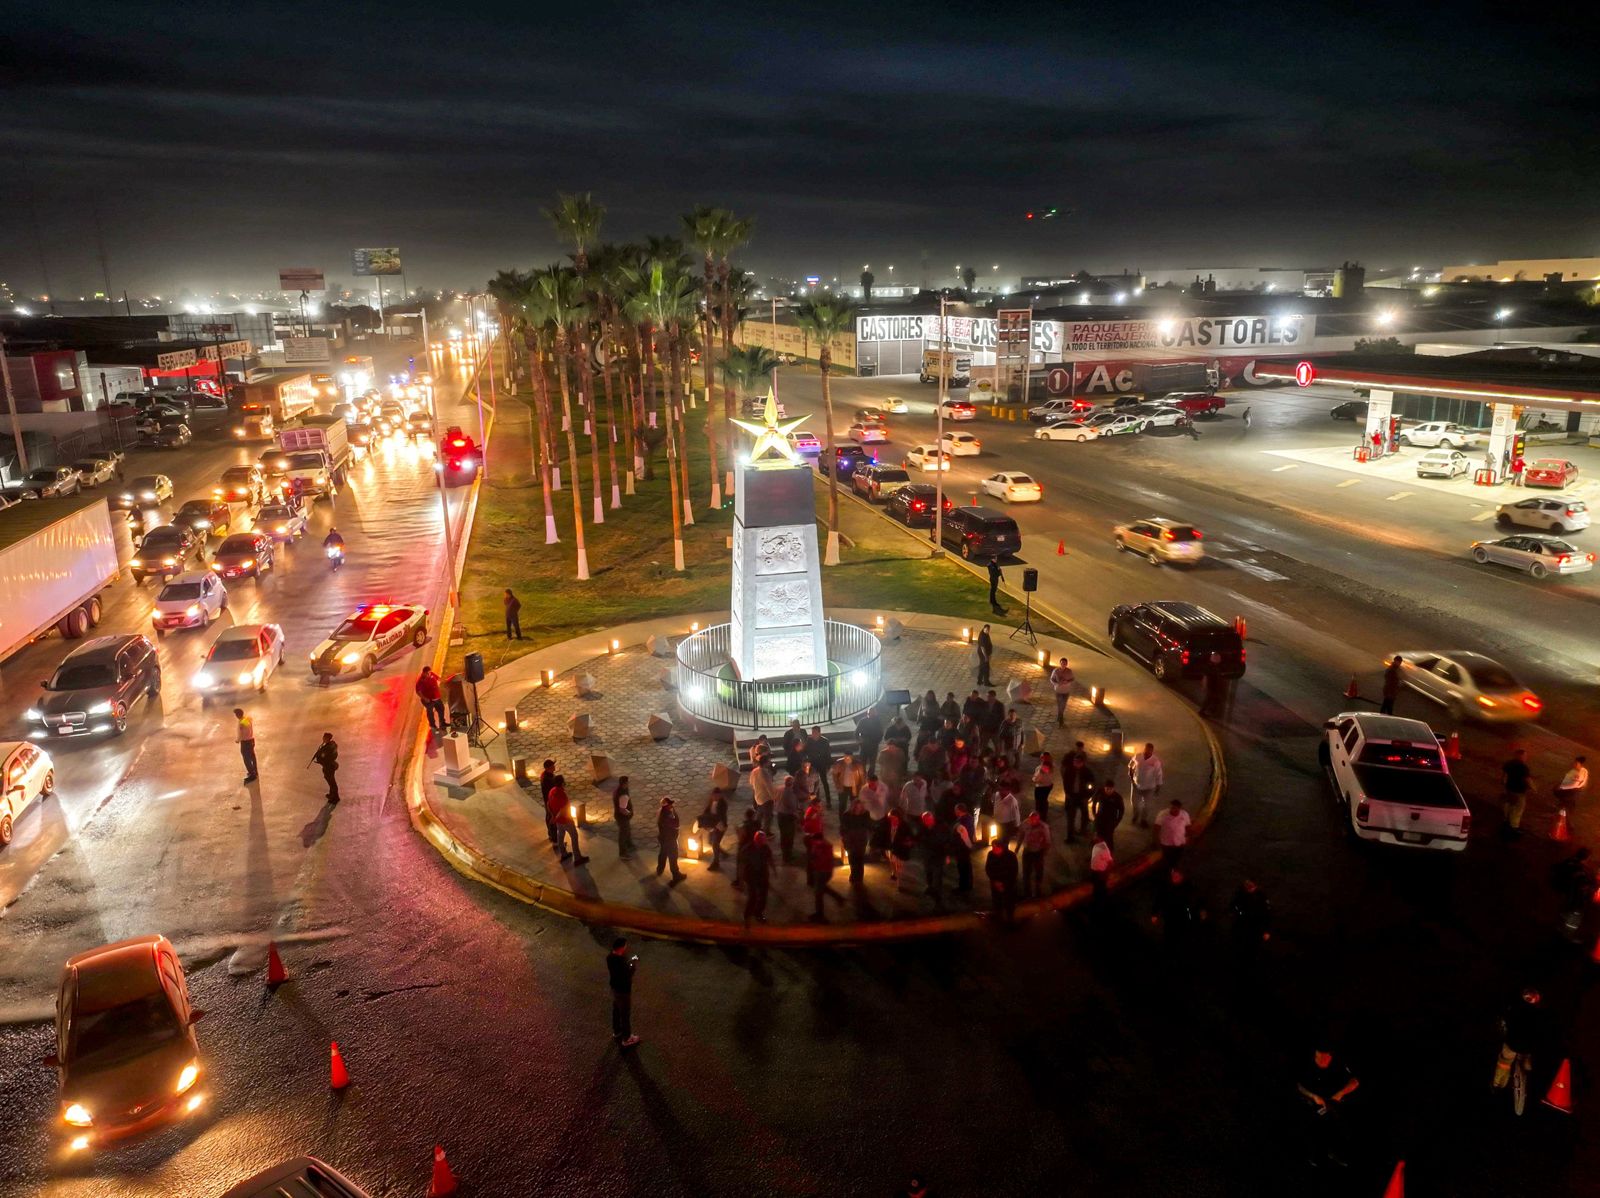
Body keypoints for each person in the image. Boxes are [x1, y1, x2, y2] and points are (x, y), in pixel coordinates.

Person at [1297, 1047, 1359, 1166]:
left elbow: (1355, 1081)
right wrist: (1313, 1096)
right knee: (1318, 1121)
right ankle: (1314, 1154)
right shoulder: (1306, 1064)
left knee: (1342, 1119)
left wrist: (1340, 1093)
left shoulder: (1337, 1063)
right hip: (1312, 1103)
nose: (1326, 1059)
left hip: (1333, 1102)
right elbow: (1299, 1086)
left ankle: (1337, 1152)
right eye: (1322, 1056)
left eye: (1328, 1056)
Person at [1494, 989, 1547, 1091]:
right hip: (1529, 1047)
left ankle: (1499, 1084)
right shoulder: (1541, 1014)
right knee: (1527, 1063)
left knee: (1504, 1061)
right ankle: (1528, 1081)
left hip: (1512, 1043)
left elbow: (1505, 1021)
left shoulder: (1514, 1007)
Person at [1151, 868, 1206, 946]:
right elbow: (1159, 899)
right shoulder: (1166, 887)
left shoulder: (1188, 887)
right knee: (1169, 935)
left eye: (1178, 875)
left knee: (1185, 934)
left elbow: (1197, 898)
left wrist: (1202, 910)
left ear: (1182, 876)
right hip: (1169, 917)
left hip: (1184, 916)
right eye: (1174, 875)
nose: (1175, 877)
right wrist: (1154, 913)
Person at [606, 938, 640, 1048]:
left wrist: (628, 963)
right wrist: (633, 965)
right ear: (621, 948)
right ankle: (627, 1038)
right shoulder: (621, 962)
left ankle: (617, 1031)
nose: (626, 947)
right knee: (625, 1014)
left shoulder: (610, 957)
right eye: (625, 946)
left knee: (616, 1010)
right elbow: (627, 975)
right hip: (623, 991)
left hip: (614, 988)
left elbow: (620, 970)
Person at [549, 776, 587, 864]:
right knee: (574, 836)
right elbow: (563, 809)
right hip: (566, 820)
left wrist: (553, 816)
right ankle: (577, 858)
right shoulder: (562, 794)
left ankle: (563, 854)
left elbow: (548, 804)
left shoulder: (552, 791)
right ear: (562, 783)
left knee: (560, 836)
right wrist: (555, 818)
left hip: (558, 821)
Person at [1227, 878, 1271, 950]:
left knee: (1254, 949)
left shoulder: (1261, 896)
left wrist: (1267, 930)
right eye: (1247, 885)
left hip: (1256, 928)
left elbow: (1267, 914)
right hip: (1241, 927)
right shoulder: (1240, 895)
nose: (1250, 887)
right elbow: (1232, 907)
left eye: (1252, 885)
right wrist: (1235, 913)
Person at [1128, 743, 1164, 827]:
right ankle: (1135, 815)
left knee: (1147, 806)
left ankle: (1143, 819)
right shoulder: (1137, 756)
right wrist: (1131, 775)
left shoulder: (1155, 761)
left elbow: (1159, 774)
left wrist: (1158, 787)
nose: (1146, 752)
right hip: (1136, 785)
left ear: (1152, 751)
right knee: (1134, 803)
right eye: (1145, 750)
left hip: (1149, 788)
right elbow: (1131, 764)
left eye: (1149, 750)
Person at [920, 812, 951, 908]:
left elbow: (946, 842)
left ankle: (938, 897)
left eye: (928, 820)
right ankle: (930, 888)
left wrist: (947, 855)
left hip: (938, 855)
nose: (926, 822)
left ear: (932, 819)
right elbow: (921, 839)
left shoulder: (941, 827)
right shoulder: (924, 828)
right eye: (924, 821)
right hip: (928, 855)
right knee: (928, 872)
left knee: (937, 877)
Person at [985, 837, 1018, 925]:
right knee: (996, 900)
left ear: (1002, 847)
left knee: (1009, 901)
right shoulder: (990, 854)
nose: (994, 849)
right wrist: (995, 881)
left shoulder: (1011, 856)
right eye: (993, 847)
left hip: (1008, 883)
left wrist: (1004, 884)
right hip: (995, 882)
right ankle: (998, 915)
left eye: (996, 847)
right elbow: (988, 869)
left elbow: (1013, 872)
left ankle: (1010, 918)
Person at [841, 796, 873, 886]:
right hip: (851, 840)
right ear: (853, 807)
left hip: (861, 839)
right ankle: (854, 875)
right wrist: (844, 838)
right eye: (856, 807)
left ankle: (859, 877)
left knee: (860, 858)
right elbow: (843, 828)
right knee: (852, 858)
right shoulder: (847, 815)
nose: (858, 809)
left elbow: (868, 825)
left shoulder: (865, 814)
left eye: (860, 807)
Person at [744, 830, 774, 925]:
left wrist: (774, 869)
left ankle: (758, 913)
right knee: (753, 897)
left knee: (763, 896)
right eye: (760, 842)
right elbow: (742, 864)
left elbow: (770, 858)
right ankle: (747, 915)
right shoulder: (748, 849)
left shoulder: (765, 847)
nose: (761, 844)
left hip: (763, 875)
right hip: (751, 876)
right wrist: (741, 879)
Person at [1500, 748, 1532, 839]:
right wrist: (1533, 788)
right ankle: (1514, 828)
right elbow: (1527, 780)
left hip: (1509, 789)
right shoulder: (1523, 767)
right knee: (1518, 810)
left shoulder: (1509, 763)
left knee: (1509, 805)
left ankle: (1506, 820)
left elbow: (1504, 776)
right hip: (1519, 792)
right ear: (1521, 756)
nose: (1526, 757)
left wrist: (1504, 784)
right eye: (1525, 756)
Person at [1019, 811, 1051, 899]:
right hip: (1027, 851)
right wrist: (1018, 847)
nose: (1032, 822)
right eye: (1031, 820)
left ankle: (1038, 892)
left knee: (1038, 872)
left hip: (1038, 852)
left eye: (1035, 820)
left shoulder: (1043, 827)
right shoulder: (1025, 824)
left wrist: (1043, 853)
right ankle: (1027, 893)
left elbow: (1047, 841)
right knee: (1026, 873)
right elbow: (1021, 835)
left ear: (1038, 820)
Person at [807, 833, 837, 922]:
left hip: (820, 871)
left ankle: (819, 914)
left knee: (818, 894)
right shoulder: (828, 845)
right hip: (828, 871)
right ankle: (838, 898)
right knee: (822, 887)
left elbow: (814, 858)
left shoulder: (816, 846)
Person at [697, 787, 729, 872]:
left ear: (720, 795)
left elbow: (720, 816)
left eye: (716, 796)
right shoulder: (711, 801)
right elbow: (707, 809)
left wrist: (709, 819)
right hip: (712, 825)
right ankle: (724, 854)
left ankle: (716, 862)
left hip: (720, 826)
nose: (714, 797)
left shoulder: (723, 804)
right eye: (713, 795)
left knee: (715, 843)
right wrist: (703, 817)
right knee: (711, 842)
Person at [1154, 799, 1190, 867]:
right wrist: (1156, 842)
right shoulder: (1162, 814)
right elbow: (1156, 828)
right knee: (1166, 861)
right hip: (1166, 844)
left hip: (1180, 843)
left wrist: (1188, 837)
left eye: (1176, 808)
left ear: (1180, 808)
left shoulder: (1184, 814)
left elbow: (1188, 827)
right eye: (1173, 808)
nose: (1174, 810)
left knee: (1177, 860)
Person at [655, 798, 684, 883]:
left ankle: (659, 869)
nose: (672, 806)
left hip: (663, 838)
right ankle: (676, 875)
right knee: (673, 857)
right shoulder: (667, 815)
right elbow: (676, 824)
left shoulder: (660, 811)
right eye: (670, 804)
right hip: (669, 839)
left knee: (663, 854)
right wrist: (674, 813)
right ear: (667, 806)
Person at [805, 727, 833, 807]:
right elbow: (806, 751)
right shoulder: (809, 740)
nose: (813, 734)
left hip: (822, 764)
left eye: (815, 732)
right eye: (812, 732)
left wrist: (828, 765)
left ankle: (828, 801)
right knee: (813, 783)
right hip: (813, 765)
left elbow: (828, 754)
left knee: (824, 782)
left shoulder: (825, 741)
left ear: (819, 733)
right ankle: (814, 800)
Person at [775, 774, 801, 864]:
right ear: (791, 784)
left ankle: (785, 853)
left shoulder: (779, 789)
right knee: (789, 836)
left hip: (779, 815)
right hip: (787, 817)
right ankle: (787, 856)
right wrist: (797, 814)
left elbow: (775, 799)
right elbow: (792, 806)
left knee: (783, 835)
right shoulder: (789, 793)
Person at [415, 667, 447, 733]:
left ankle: (442, 723)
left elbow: (438, 679)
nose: (429, 674)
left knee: (441, 709)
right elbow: (418, 691)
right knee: (430, 713)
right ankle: (433, 726)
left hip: (437, 698)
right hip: (429, 700)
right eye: (427, 673)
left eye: (429, 672)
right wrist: (425, 698)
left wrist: (445, 680)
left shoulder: (431, 674)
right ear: (423, 673)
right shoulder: (420, 681)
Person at [750, 757, 777, 833]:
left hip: (758, 796)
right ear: (766, 763)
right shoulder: (764, 773)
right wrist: (774, 797)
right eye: (769, 761)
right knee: (768, 816)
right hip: (766, 798)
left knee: (760, 812)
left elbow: (751, 782)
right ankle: (766, 831)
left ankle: (756, 827)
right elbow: (769, 786)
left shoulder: (754, 771)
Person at [310, 732, 340, 803]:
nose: (323, 738)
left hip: (328, 767)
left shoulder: (327, 748)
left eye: (324, 737)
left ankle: (335, 797)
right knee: (330, 781)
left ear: (327, 738)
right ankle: (332, 794)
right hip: (330, 766)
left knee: (331, 782)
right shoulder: (331, 745)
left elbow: (323, 757)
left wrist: (319, 757)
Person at [952, 804, 975, 894]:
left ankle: (963, 887)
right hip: (966, 848)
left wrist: (969, 846)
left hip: (961, 849)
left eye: (955, 810)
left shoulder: (961, 823)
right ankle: (969, 885)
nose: (955, 812)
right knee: (967, 866)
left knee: (962, 868)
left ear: (959, 811)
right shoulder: (970, 818)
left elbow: (965, 837)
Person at [855, 706, 884, 771]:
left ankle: (870, 777)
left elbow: (881, 733)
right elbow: (857, 732)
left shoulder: (877, 722)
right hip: (864, 745)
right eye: (870, 713)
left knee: (872, 763)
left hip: (873, 745)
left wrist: (877, 741)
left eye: (873, 713)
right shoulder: (862, 721)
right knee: (862, 762)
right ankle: (863, 776)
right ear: (868, 713)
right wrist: (859, 740)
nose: (871, 715)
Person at [992, 782, 1020, 849]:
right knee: (999, 838)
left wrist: (1016, 826)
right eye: (1000, 789)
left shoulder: (1012, 801)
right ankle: (999, 851)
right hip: (998, 821)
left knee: (1005, 841)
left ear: (1008, 790)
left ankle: (1005, 853)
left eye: (1003, 790)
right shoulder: (997, 795)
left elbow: (1016, 814)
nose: (1001, 791)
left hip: (1007, 824)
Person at [1049, 657, 1075, 726]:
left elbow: (1072, 679)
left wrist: (1067, 682)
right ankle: (1061, 720)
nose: (1063, 664)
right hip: (1058, 691)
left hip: (1066, 691)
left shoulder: (1069, 671)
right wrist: (1057, 683)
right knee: (1060, 704)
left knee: (1063, 705)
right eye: (1062, 663)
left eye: (1064, 663)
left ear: (1066, 664)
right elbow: (1051, 679)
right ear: (1060, 663)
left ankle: (1059, 716)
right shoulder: (1056, 671)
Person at [234, 707, 258, 783]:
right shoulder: (247, 719)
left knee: (246, 759)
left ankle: (252, 774)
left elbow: (242, 733)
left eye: (235, 714)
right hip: (251, 740)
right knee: (252, 756)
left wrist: (237, 740)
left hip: (246, 742)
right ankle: (254, 771)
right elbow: (248, 729)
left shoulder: (241, 723)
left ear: (237, 715)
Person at [539, 758, 559, 847]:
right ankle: (555, 840)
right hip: (550, 801)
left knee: (549, 817)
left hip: (549, 801)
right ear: (548, 768)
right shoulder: (547, 780)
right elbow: (550, 792)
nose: (554, 767)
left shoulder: (547, 775)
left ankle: (552, 836)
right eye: (552, 766)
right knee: (552, 819)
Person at [613, 777, 635, 857]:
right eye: (627, 782)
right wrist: (630, 813)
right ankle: (622, 853)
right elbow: (622, 809)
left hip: (620, 816)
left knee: (627, 830)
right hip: (622, 818)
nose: (628, 784)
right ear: (624, 784)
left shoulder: (617, 790)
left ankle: (629, 844)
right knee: (623, 834)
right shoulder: (623, 796)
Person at [1089, 834, 1113, 903]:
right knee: (1096, 886)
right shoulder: (1096, 845)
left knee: (1100, 888)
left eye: (1096, 836)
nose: (1094, 837)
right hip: (1095, 871)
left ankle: (1101, 901)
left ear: (1101, 838)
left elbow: (1110, 861)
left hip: (1100, 873)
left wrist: (1106, 874)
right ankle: (1097, 899)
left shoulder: (1104, 848)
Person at [1031, 751, 1055, 819]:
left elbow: (1037, 779)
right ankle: (1042, 816)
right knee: (1043, 801)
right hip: (1047, 786)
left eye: (1043, 757)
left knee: (1040, 803)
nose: (1041, 758)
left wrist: (1034, 779)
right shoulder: (1050, 766)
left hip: (1041, 787)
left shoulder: (1044, 768)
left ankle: (1040, 817)